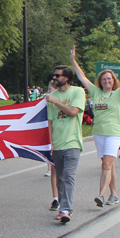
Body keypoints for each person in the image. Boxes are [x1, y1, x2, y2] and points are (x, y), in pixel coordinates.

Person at [70, 45, 120, 207]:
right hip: (99, 133)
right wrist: (73, 60)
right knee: (109, 165)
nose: (107, 80)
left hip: (113, 133)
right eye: (104, 79)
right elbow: (82, 77)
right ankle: (114, 194)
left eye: (109, 78)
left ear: (113, 80)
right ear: (100, 81)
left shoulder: (119, 93)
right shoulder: (95, 92)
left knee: (106, 165)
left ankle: (101, 195)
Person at [45, 66, 85, 223]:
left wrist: (55, 101)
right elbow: (50, 122)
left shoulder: (77, 92)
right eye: (54, 75)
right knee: (60, 178)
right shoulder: (51, 96)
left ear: (66, 78)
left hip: (72, 142)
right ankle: (63, 207)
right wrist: (50, 143)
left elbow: (74, 112)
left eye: (57, 75)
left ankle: (65, 209)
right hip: (57, 143)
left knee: (68, 176)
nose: (54, 77)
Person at [45, 79, 59, 211]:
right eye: (48, 89)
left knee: (64, 173)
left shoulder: (62, 103)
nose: (48, 92)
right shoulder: (46, 105)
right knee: (54, 170)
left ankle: (63, 197)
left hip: (65, 140)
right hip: (53, 140)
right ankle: (55, 198)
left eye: (51, 89)